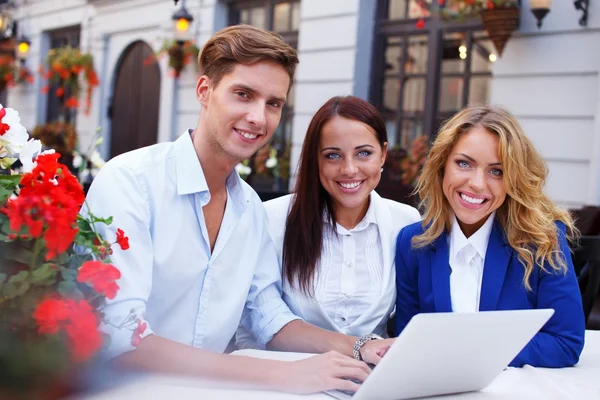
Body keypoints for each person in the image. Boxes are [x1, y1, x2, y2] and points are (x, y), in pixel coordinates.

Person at [85, 25, 390, 394]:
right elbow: (120, 335)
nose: (258, 118)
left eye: (273, 104)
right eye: (243, 95)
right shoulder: (131, 182)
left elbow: (266, 316)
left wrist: (359, 347)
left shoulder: (249, 208)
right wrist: (278, 375)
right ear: (204, 91)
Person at [394, 105, 585, 368]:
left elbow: (565, 343)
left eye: (497, 171)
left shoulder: (543, 240)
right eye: (464, 163)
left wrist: (471, 349)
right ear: (442, 167)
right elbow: (407, 341)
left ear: (513, 180)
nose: (477, 183)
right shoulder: (413, 242)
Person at [237, 96, 420, 349]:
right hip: (290, 377)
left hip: (371, 380)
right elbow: (260, 319)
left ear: (383, 155)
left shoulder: (406, 222)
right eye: (333, 156)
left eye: (364, 153)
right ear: (316, 159)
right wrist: (359, 348)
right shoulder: (271, 219)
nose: (349, 169)